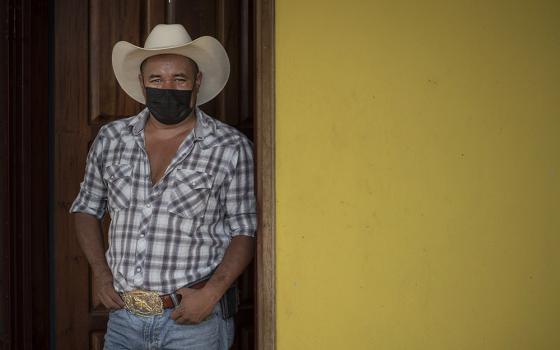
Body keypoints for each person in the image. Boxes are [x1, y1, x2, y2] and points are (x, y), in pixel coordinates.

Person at [70, 24, 256, 349]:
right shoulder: (112, 139)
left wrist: (211, 294)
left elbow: (245, 231)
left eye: (179, 79)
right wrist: (100, 274)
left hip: (193, 322)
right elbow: (86, 208)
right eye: (156, 79)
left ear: (197, 81)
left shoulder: (230, 146)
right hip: (124, 321)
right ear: (142, 82)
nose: (167, 87)